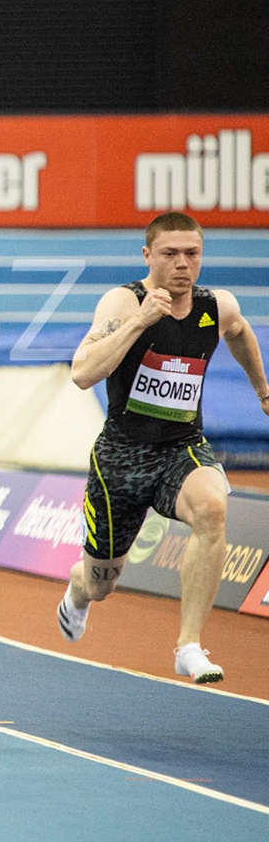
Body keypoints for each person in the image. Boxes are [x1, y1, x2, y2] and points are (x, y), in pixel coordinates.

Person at [59, 211, 269, 683]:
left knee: (213, 508)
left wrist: (262, 390)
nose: (182, 264)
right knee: (102, 583)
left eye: (191, 254)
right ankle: (77, 588)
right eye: (170, 254)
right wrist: (138, 323)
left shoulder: (217, 306)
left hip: (182, 448)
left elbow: (239, 333)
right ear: (147, 255)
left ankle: (188, 646)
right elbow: (81, 373)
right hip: (121, 457)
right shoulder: (121, 302)